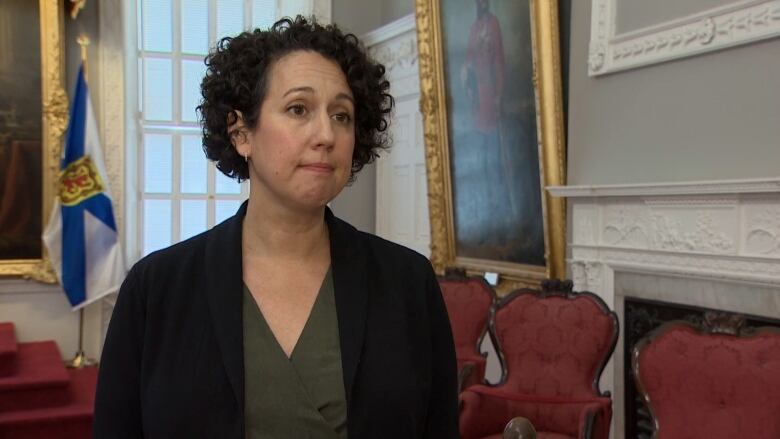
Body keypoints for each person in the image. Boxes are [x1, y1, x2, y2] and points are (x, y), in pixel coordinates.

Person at [92, 16, 459, 439]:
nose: (326, 134)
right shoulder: (156, 289)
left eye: (341, 115)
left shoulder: (408, 283)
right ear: (241, 132)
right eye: (298, 109)